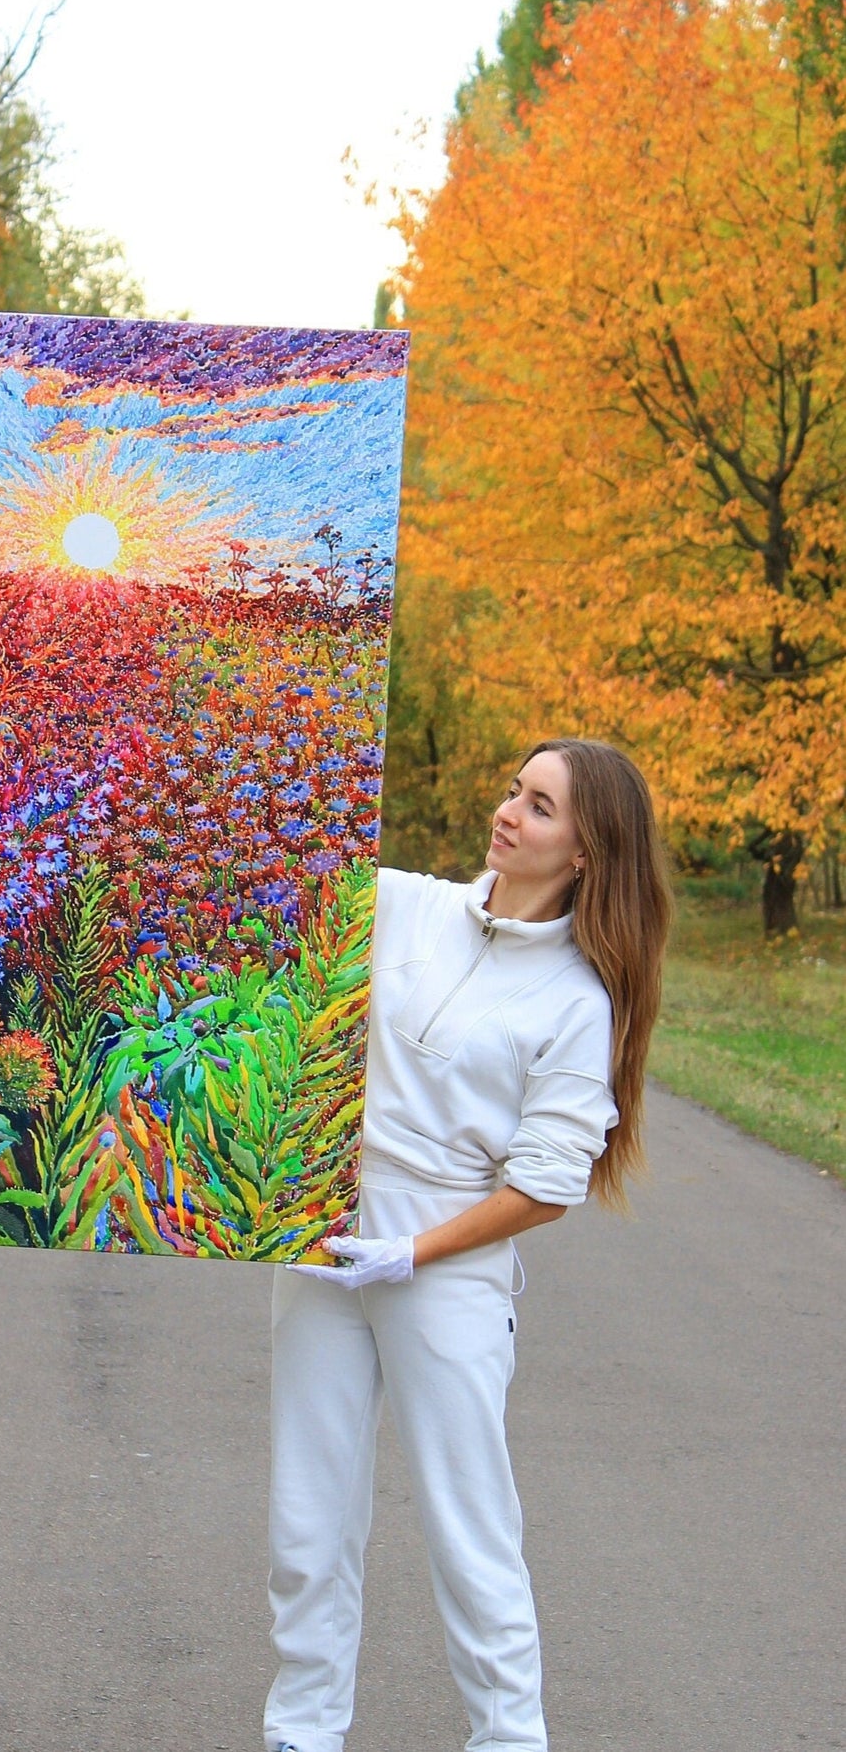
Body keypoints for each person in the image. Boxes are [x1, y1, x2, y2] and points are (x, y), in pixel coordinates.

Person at [264, 737, 673, 1752]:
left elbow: (545, 1183)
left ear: (584, 850)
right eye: (511, 789)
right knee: (305, 1518)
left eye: (538, 806)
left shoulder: (575, 1000)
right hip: (321, 1238)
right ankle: (301, 1727)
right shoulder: (402, 902)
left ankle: (508, 1736)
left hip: (443, 1266)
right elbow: (278, 890)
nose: (506, 812)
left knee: (465, 1521)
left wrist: (411, 1252)